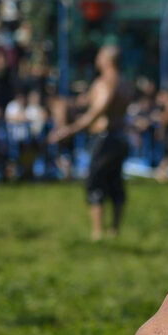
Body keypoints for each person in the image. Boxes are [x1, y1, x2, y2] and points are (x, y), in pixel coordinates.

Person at [48, 46, 132, 241]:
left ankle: (97, 233)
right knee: (115, 182)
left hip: (104, 138)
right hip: (120, 137)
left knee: (95, 183)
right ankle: (114, 230)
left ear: (107, 59)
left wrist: (69, 129)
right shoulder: (125, 83)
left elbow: (96, 113)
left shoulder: (106, 82)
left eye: (99, 55)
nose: (97, 58)